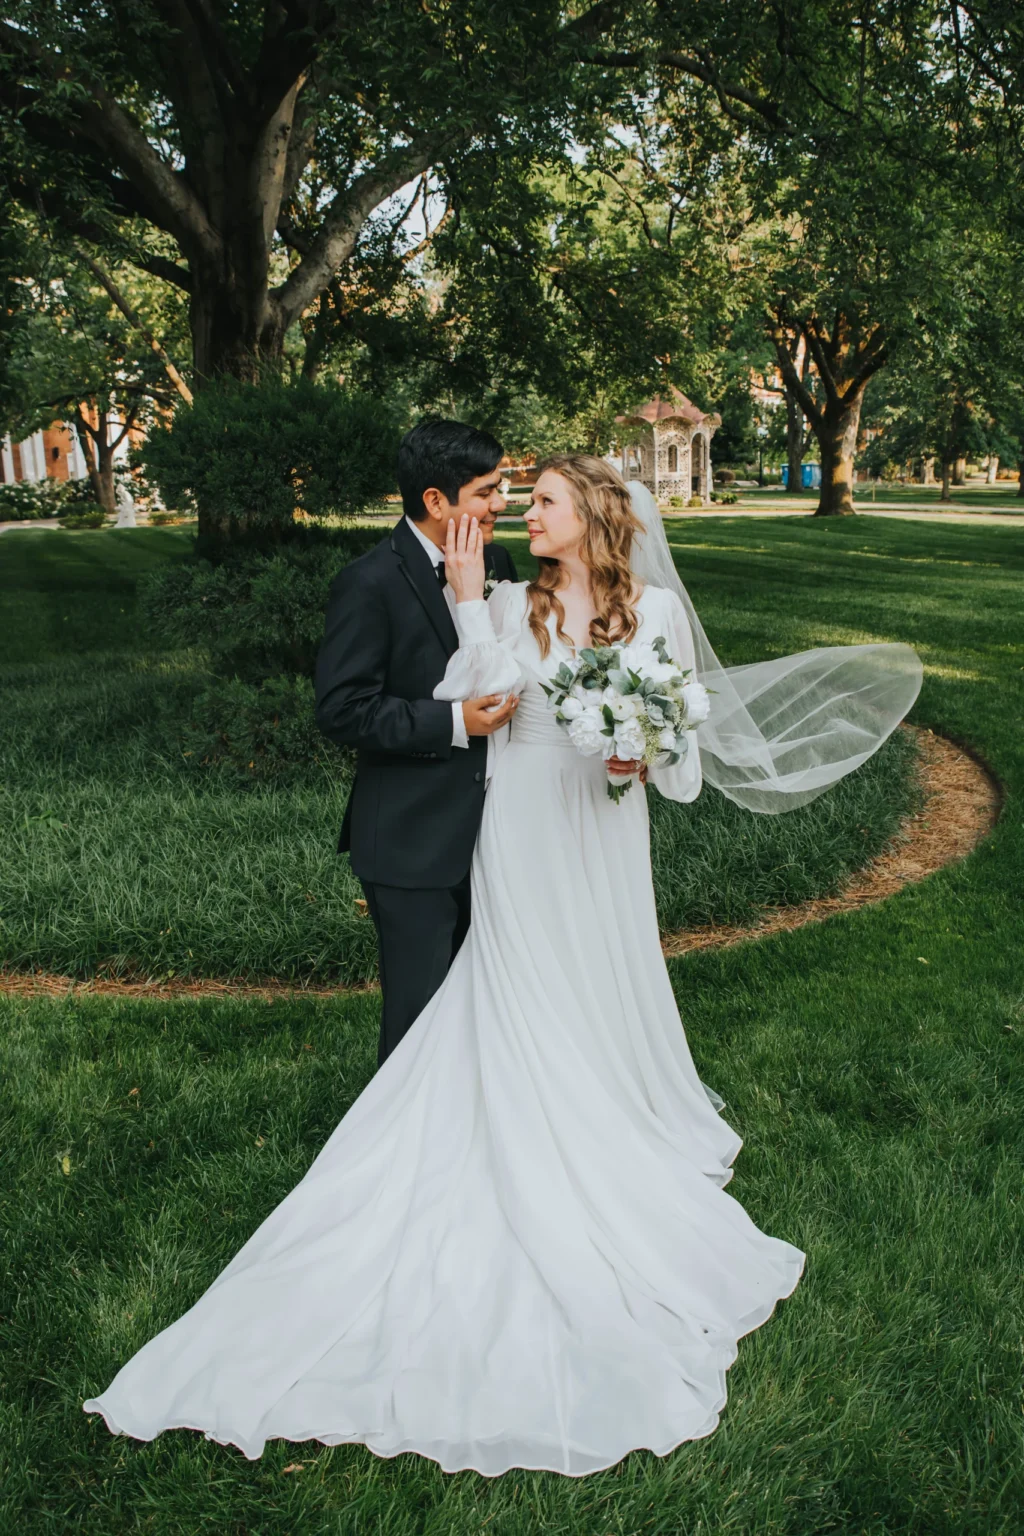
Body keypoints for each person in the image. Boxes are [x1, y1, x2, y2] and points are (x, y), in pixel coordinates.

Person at [83, 455, 920, 1475]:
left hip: (600, 828)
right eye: (525, 499)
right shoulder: (512, 596)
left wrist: (635, 752)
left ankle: (604, 1099)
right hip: (517, 818)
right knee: (515, 968)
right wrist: (475, 607)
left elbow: (671, 740)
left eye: (549, 501)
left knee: (595, 964)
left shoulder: (650, 610)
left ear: (598, 518)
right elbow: (471, 692)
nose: (529, 511)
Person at [313, 418, 518, 1066]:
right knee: (420, 1014)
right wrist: (456, 723)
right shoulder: (368, 582)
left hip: (499, 837)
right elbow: (343, 710)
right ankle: (401, 1155)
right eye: (487, 490)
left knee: (485, 1001)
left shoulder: (500, 564)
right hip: (410, 841)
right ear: (437, 501)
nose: (501, 503)